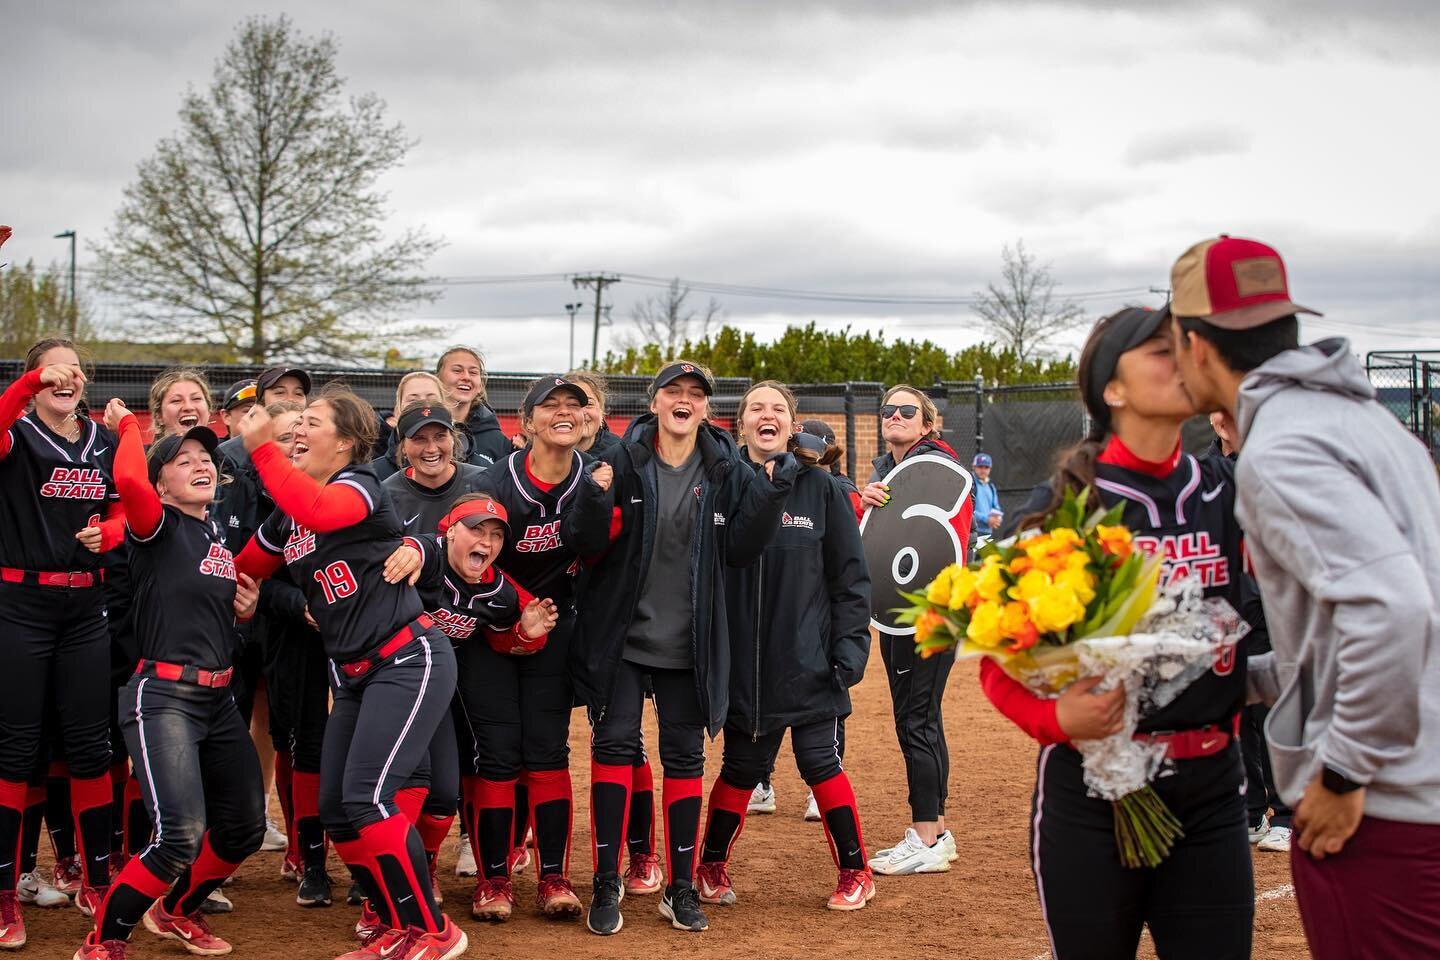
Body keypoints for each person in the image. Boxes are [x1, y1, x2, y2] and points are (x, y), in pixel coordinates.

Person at [1167, 234, 1440, 959]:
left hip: (1385, 809)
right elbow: (1355, 629)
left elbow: (1394, 610)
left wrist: (1346, 771)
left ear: (1197, 344)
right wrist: (1238, 678)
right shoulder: (1370, 422)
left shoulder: (1284, 444)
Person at [991, 306, 1252, 959]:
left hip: (1213, 790)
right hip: (1094, 798)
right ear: (1113, 389)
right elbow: (997, 667)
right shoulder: (1061, 511)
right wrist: (1058, 717)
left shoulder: (1230, 491)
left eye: (1185, 350)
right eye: (1160, 352)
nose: (1182, 362)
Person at [231, 385, 467, 960]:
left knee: (369, 799)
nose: (297, 432)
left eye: (310, 422)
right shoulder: (289, 517)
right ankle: (391, 920)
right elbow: (243, 567)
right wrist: (239, 591)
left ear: (345, 442)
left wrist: (261, 449)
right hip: (356, 674)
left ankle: (433, 930)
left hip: (407, 658)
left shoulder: (356, 484)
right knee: (337, 810)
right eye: (294, 425)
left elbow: (319, 510)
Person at [576, 361, 796, 937]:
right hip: (624, 638)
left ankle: (678, 886)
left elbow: (744, 549)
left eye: (695, 395)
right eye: (673, 392)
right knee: (615, 745)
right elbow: (590, 543)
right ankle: (606, 878)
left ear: (707, 409)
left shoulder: (727, 467)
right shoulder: (621, 458)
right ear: (653, 403)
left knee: (684, 758)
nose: (684, 401)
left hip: (690, 642)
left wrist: (773, 492)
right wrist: (595, 500)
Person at [73, 402, 265, 960]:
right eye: (182, 461)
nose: (201, 464)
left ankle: (177, 910)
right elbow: (128, 476)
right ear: (161, 485)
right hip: (163, 698)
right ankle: (105, 940)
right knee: (179, 833)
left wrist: (244, 611)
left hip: (217, 698)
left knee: (245, 828)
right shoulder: (154, 525)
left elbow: (207, 616)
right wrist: (131, 428)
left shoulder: (215, 541)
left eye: (206, 457)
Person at [694, 381, 874, 913]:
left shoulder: (822, 488)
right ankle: (709, 865)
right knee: (742, 768)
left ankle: (855, 872)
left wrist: (849, 648)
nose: (765, 416)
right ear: (741, 423)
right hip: (747, 666)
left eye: (777, 409)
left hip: (810, 661)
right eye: (755, 408)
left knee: (821, 762)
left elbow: (851, 576)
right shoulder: (722, 482)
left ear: (792, 425)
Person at [468, 375, 614, 922]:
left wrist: (544, 621)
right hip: (490, 628)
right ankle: (494, 879)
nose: (563, 412)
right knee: (498, 754)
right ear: (525, 424)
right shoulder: (493, 483)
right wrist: (519, 610)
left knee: (548, 751)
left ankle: (552, 875)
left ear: (587, 421)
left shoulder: (594, 481)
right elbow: (470, 563)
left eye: (573, 406)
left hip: (556, 630)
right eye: (549, 406)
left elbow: (599, 554)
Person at [0, 340, 118, 948]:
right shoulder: (17, 432)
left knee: (89, 744)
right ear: (33, 380)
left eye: (73, 368)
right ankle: (2, 892)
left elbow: (129, 510)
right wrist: (23, 387)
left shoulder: (103, 440)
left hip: (86, 606)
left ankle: (96, 876)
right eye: (52, 369)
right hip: (19, 604)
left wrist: (112, 531)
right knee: (16, 747)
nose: (64, 376)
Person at [412, 494, 561, 922]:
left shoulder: (499, 588)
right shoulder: (420, 562)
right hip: (400, 677)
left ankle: (467, 868)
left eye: (496, 535)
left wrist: (527, 632)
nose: (487, 541)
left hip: (460, 674)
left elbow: (507, 634)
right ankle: (397, 867)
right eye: (476, 530)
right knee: (420, 777)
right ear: (449, 531)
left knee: (480, 761)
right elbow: (405, 552)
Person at [859, 385, 968, 875]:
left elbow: (943, 541)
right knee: (921, 716)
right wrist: (869, 503)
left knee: (916, 719)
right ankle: (936, 829)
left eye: (908, 410)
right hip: (898, 609)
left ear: (928, 424)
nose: (895, 416)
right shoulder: (888, 473)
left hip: (927, 611)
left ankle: (926, 835)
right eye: (889, 410)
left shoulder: (937, 468)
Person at [565, 369, 660, 890]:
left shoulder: (620, 462)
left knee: (621, 737)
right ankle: (520, 852)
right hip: (547, 617)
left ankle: (641, 853)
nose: (576, 414)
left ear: (602, 412)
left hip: (608, 621)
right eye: (565, 405)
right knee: (540, 741)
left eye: (587, 404)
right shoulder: (533, 463)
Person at [249, 402, 335, 907]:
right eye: (286, 436)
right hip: (295, 637)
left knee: (353, 751)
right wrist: (298, 604)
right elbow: (254, 576)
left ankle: (369, 862)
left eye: (305, 432)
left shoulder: (357, 491)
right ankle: (312, 860)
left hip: (358, 644)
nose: (295, 442)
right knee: (302, 743)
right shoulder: (283, 512)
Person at [1206, 412, 1292, 854]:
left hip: (1264, 603)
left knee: (1269, 711)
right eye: (1216, 411)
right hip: (1220, 604)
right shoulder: (1201, 468)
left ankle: (1287, 813)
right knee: (1232, 710)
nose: (1221, 419)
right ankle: (1253, 810)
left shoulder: (1264, 463)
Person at [384, 402, 490, 537]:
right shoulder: (386, 497)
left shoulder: (484, 481)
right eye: (419, 439)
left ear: (453, 439)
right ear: (403, 446)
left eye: (440, 436)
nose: (431, 449)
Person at [437, 347, 512, 467]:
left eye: (473, 372)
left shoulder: (497, 441)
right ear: (438, 380)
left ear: (480, 386)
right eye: (457, 370)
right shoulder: (420, 430)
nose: (466, 377)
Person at [373, 372, 450, 483]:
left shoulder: (473, 468)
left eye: (432, 399)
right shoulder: (375, 472)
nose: (423, 405)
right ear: (398, 407)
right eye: (413, 401)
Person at [971, 452, 1003, 543]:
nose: (983, 470)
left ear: (990, 469)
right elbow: (968, 510)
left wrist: (997, 518)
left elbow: (996, 507)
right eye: (980, 467)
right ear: (974, 467)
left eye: (986, 467)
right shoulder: (971, 484)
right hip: (973, 532)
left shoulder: (991, 486)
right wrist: (986, 519)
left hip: (988, 533)